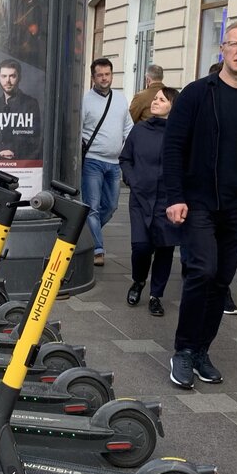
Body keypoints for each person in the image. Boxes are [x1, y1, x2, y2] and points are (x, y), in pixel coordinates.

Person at [162, 20, 237, 389]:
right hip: (198, 201)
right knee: (201, 271)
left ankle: (202, 350)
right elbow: (173, 147)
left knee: (220, 280)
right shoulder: (198, 93)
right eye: (235, 43)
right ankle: (183, 351)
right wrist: (175, 196)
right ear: (223, 48)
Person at [120, 86, 180, 316]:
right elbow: (125, 159)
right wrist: (133, 180)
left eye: (161, 100)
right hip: (141, 198)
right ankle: (138, 281)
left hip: (168, 200)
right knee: (141, 247)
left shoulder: (178, 134)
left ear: (172, 107)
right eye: (155, 99)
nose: (155, 102)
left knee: (165, 249)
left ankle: (156, 295)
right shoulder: (139, 130)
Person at [82, 57, 133, 267]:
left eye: (107, 74)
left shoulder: (120, 99)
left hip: (114, 163)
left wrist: (131, 151)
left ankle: (84, 235)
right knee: (92, 207)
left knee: (111, 206)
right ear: (93, 77)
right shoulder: (85, 100)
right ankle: (97, 248)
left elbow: (128, 127)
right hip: (92, 160)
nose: (104, 78)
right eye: (100, 75)